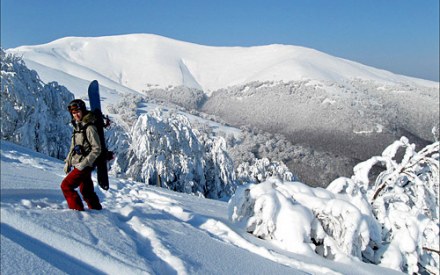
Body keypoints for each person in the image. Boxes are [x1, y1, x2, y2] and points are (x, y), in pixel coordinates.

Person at [61, 99, 102, 211]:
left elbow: (97, 149)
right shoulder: (77, 127)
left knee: (66, 186)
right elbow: (73, 147)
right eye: (73, 113)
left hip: (84, 164)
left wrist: (83, 164)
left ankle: (76, 211)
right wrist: (68, 162)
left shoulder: (89, 128)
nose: (76, 115)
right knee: (86, 190)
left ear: (83, 111)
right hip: (79, 163)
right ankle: (97, 210)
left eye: (78, 111)